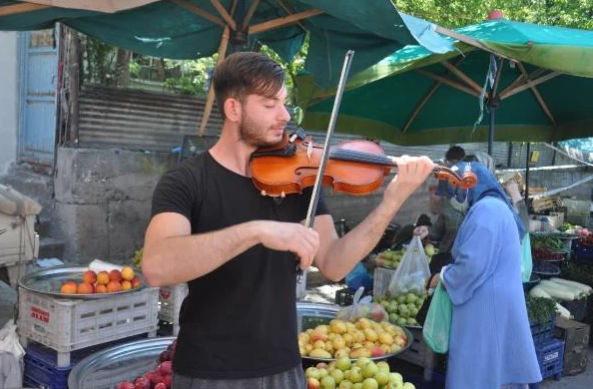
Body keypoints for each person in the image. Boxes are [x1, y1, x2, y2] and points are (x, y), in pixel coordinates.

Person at [141, 51, 435, 389]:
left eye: (284, 103)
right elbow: (156, 265)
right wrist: (256, 231)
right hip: (209, 372)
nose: (285, 115)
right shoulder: (187, 181)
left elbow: (334, 266)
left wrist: (392, 201)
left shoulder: (299, 182)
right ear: (233, 109)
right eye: (269, 105)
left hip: (284, 369)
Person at [429, 162, 542, 388]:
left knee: (478, 370)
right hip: (492, 301)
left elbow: (472, 265)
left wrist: (443, 277)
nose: (453, 198)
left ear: (469, 185)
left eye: (455, 191)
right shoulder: (493, 207)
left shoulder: (488, 210)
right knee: (492, 369)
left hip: (486, 307)